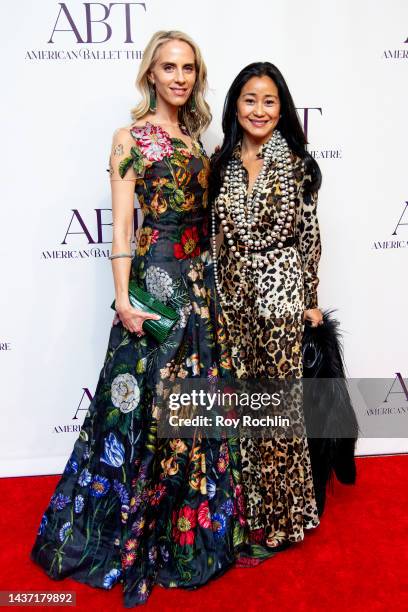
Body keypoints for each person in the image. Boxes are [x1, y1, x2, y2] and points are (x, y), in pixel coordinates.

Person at [31, 31, 267, 607]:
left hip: (198, 286)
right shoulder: (129, 138)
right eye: (169, 67)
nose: (180, 77)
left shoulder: (194, 138)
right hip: (153, 286)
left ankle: (187, 536)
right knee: (140, 410)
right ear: (151, 75)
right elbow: (122, 227)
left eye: (188, 68)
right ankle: (123, 531)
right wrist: (122, 297)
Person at [210, 62, 322, 549]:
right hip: (233, 300)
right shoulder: (223, 161)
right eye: (250, 99)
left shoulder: (297, 163)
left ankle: (287, 516)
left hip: (280, 295)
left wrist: (310, 302)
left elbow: (310, 238)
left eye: (269, 101)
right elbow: (217, 236)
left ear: (282, 109)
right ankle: (250, 508)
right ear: (236, 104)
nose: (259, 109)